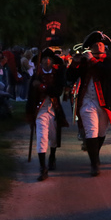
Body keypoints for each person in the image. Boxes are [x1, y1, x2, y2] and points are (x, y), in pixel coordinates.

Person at [66, 31, 111, 177]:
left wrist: (92, 61)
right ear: (91, 47)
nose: (100, 46)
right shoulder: (84, 60)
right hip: (87, 101)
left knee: (101, 133)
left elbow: (109, 74)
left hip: (104, 103)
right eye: (96, 44)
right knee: (91, 131)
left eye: (101, 44)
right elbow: (69, 77)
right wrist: (75, 63)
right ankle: (94, 164)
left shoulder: (109, 60)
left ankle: (95, 155)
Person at [26, 48, 68, 181]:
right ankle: (43, 168)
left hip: (54, 109)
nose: (47, 61)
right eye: (44, 59)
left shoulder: (58, 75)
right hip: (41, 111)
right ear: (41, 61)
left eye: (49, 59)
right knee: (42, 137)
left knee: (54, 137)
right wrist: (30, 112)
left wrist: (43, 87)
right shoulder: (36, 75)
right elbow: (30, 96)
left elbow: (57, 91)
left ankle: (52, 156)